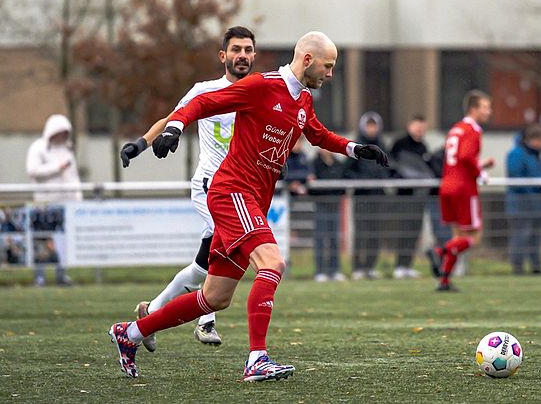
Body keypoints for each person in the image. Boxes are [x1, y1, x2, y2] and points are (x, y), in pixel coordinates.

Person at [107, 31, 389, 381]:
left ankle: (131, 333)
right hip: (232, 192)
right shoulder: (261, 86)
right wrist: (175, 127)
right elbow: (204, 102)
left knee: (214, 297)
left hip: (251, 199)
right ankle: (257, 359)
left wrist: (355, 149)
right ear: (307, 60)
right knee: (272, 262)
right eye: (328, 66)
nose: (330, 74)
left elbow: (317, 133)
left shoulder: (302, 98)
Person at [120, 25, 257, 349]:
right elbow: (173, 117)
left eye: (248, 50)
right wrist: (140, 144)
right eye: (236, 49)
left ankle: (150, 312)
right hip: (211, 185)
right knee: (227, 245)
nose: (242, 55)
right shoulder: (205, 90)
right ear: (223, 56)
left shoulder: (260, 91)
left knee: (200, 268)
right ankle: (206, 321)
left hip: (241, 190)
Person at [426, 91, 495, 291]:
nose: (489, 112)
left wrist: (481, 165)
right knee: (474, 237)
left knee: (458, 236)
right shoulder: (473, 130)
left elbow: (458, 159)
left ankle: (444, 281)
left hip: (447, 185)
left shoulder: (456, 129)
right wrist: (480, 173)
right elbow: (465, 156)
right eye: (485, 107)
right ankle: (439, 252)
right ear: (474, 109)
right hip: (464, 188)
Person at [26, 114, 79, 287]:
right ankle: (40, 276)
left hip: (65, 205)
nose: (61, 136)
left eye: (64, 133)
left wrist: (78, 197)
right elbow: (33, 171)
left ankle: (61, 275)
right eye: (59, 132)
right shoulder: (38, 148)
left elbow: (73, 177)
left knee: (62, 243)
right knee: (41, 241)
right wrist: (57, 168)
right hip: (44, 204)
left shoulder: (67, 150)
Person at [389, 115, 438, 279]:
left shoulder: (423, 147)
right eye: (417, 126)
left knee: (414, 231)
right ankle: (399, 265)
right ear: (410, 126)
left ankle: (407, 265)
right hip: (404, 196)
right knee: (403, 230)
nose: (420, 130)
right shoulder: (400, 144)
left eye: (422, 127)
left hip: (419, 196)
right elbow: (392, 165)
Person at [345, 111, 390, 280]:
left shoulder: (382, 145)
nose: (372, 129)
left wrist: (381, 178)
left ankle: (370, 266)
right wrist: (361, 180)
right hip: (362, 196)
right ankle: (358, 267)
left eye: (374, 125)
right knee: (361, 233)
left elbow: (388, 167)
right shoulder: (357, 146)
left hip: (378, 196)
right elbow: (347, 170)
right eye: (369, 125)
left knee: (375, 233)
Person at [506, 124, 541, 275]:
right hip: (520, 205)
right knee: (521, 236)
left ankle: (536, 267)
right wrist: (533, 194)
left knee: (535, 237)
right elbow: (516, 178)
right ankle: (518, 267)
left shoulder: (536, 155)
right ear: (532, 139)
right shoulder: (516, 154)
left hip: (537, 205)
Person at [311, 148, 347, 282]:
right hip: (321, 204)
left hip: (334, 205)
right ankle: (320, 271)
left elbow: (343, 183)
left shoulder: (339, 164)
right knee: (321, 238)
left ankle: (334, 270)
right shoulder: (314, 164)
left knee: (334, 239)